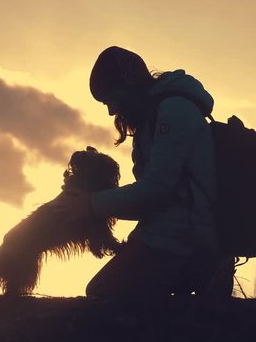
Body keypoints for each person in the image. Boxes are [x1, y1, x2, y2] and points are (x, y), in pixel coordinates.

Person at [55, 46, 234, 301]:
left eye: (110, 99)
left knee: (103, 292)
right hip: (167, 233)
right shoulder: (151, 121)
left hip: (183, 236)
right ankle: (198, 277)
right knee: (105, 290)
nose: (110, 111)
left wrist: (92, 204)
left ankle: (205, 267)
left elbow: (157, 189)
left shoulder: (174, 112)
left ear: (128, 87)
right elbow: (151, 199)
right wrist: (94, 205)